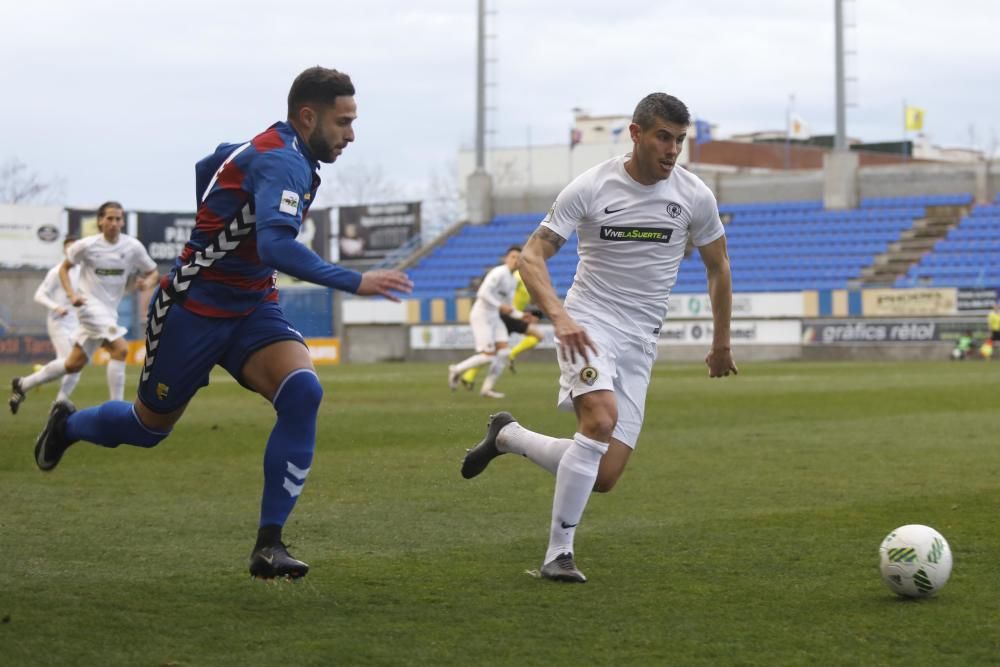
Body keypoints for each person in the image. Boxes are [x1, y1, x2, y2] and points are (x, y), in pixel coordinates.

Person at [28, 66, 412, 580]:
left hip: (252, 306)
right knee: (148, 428)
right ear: (307, 116)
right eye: (343, 122)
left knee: (303, 392)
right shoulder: (282, 161)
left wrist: (215, 226)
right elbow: (276, 246)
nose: (351, 134)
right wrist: (355, 281)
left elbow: (210, 162)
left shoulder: (271, 148)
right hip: (192, 310)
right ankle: (68, 423)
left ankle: (269, 545)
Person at [460, 93, 737, 583]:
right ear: (636, 133)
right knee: (600, 419)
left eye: (679, 140)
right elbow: (531, 257)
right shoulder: (591, 187)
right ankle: (557, 554)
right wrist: (562, 318)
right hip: (589, 325)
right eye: (662, 137)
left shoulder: (695, 196)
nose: (672, 150)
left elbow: (718, 268)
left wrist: (721, 343)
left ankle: (509, 435)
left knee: (604, 475)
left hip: (641, 340)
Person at [10, 204, 159, 414]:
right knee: (121, 348)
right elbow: (64, 268)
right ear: (100, 221)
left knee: (73, 364)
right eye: (110, 218)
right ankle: (116, 409)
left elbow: (152, 271)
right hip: (88, 308)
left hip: (109, 312)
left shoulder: (132, 247)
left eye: (118, 219)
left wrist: (148, 283)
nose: (114, 223)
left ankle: (23, 384)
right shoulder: (86, 245)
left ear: (123, 222)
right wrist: (72, 295)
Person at [447, 246, 528, 399]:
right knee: (488, 356)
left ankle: (486, 389)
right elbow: (482, 293)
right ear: (506, 258)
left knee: (504, 353)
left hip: (494, 317)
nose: (516, 260)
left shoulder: (512, 280)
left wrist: (522, 315)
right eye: (513, 256)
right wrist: (500, 306)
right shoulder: (499, 273)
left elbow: (508, 307)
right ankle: (456, 369)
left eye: (519, 258)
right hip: (481, 316)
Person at [460, 269, 544, 389]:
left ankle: (468, 376)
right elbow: (503, 290)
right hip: (507, 316)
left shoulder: (530, 281)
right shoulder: (516, 276)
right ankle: (511, 355)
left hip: (513, 316)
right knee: (538, 335)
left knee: (491, 353)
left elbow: (530, 298)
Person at [29, 236, 83, 404]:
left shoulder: (82, 271)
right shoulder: (56, 271)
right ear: (64, 251)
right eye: (68, 249)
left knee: (70, 364)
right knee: (73, 363)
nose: (71, 252)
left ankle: (40, 374)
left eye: (74, 248)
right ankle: (61, 401)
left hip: (76, 323)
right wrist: (56, 307)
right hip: (58, 321)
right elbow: (39, 295)